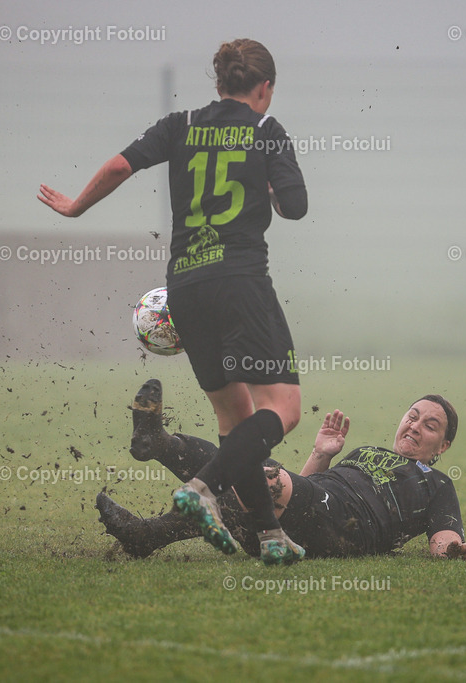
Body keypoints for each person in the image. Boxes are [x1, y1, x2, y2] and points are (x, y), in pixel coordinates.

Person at [39, 39, 309, 565]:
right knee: (286, 409)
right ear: (265, 88)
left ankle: (270, 536)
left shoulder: (181, 124)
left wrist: (75, 207)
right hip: (242, 284)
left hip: (184, 286)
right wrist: (271, 189)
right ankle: (203, 488)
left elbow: (121, 166)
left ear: (218, 85)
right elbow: (295, 207)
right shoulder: (265, 131)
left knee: (235, 423)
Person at [96, 379, 466, 562]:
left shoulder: (437, 483)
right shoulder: (367, 450)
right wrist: (321, 453)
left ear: (444, 446)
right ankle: (144, 535)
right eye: (413, 416)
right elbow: (309, 482)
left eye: (430, 426)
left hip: (348, 527)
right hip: (297, 515)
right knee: (252, 481)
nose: (415, 426)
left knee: (259, 473)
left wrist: (454, 552)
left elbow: (444, 539)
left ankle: (161, 445)